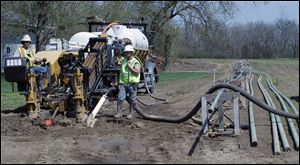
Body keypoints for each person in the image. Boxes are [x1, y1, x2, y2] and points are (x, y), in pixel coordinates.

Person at [114, 45, 141, 119]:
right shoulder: (124, 61)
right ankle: (119, 113)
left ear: (132, 53)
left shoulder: (135, 62)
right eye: (126, 52)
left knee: (132, 99)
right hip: (124, 83)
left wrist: (130, 67)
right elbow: (121, 72)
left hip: (132, 84)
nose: (126, 54)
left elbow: (137, 72)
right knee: (120, 98)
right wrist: (118, 82)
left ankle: (131, 114)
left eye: (128, 52)